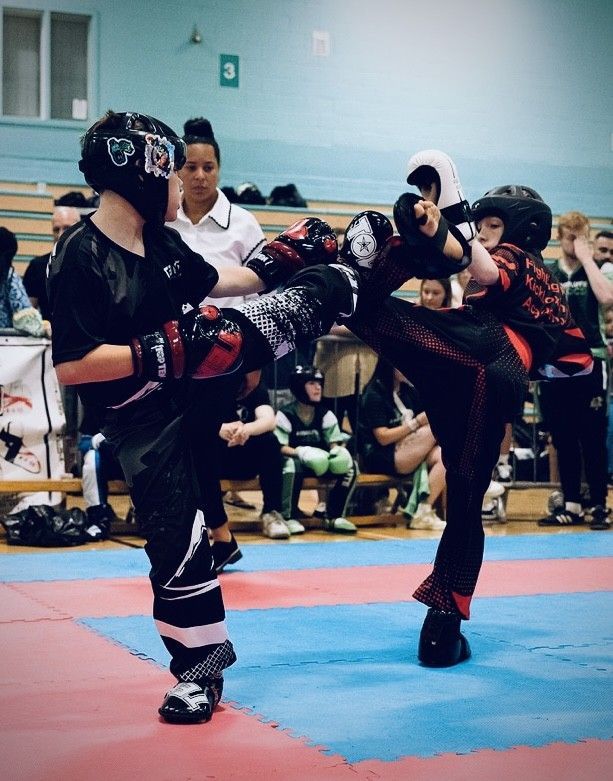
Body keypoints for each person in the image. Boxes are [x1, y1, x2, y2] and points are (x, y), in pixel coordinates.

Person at [48, 110, 360, 724]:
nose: (181, 184)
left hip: (190, 391)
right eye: (172, 171)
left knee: (232, 328)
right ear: (141, 175)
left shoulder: (161, 242)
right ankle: (198, 672)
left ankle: (343, 283)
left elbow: (224, 281)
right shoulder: (78, 255)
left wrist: (285, 257)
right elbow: (73, 366)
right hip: (139, 415)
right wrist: (159, 350)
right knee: (176, 537)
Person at [339, 151, 593, 668]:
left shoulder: (520, 260)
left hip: (482, 351)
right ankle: (442, 630)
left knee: (365, 309)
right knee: (464, 499)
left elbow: (482, 264)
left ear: (521, 231)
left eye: (492, 225)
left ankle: (340, 280)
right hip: (486, 379)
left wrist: (443, 222)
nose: (485, 234)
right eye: (481, 225)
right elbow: (574, 362)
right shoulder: (541, 292)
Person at [169, 117, 267, 513]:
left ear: (219, 170)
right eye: (190, 167)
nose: (199, 176)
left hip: (229, 353)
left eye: (208, 167)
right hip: (174, 350)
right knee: (181, 440)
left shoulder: (243, 223)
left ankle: (215, 526)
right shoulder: (162, 221)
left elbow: (261, 297)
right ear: (177, 170)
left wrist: (255, 360)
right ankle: (201, 525)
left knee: (203, 438)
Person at [537, 211, 613, 530]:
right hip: (555, 365)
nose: (574, 242)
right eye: (569, 236)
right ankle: (571, 504)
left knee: (592, 435)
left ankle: (599, 504)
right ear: (559, 237)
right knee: (563, 435)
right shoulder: (549, 272)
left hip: (591, 360)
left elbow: (607, 298)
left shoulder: (596, 270)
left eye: (580, 236)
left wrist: (587, 258)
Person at [359, 357, 446, 530]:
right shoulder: (374, 393)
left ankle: (423, 511)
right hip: (381, 455)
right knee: (435, 428)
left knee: (445, 456)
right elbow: (382, 437)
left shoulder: (408, 392)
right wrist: (415, 423)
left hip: (407, 450)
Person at [275, 365, 359, 534]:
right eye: (312, 383)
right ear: (299, 387)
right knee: (291, 465)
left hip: (321, 463)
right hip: (298, 463)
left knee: (351, 466)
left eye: (320, 383)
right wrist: (301, 452)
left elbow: (334, 443)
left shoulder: (326, 414)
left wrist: (338, 453)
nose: (318, 388)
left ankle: (334, 515)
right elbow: (281, 447)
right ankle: (288, 517)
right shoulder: (285, 414)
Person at [217, 375, 291, 540]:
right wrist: (220, 428)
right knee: (201, 443)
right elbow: (195, 419)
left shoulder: (255, 386)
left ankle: (272, 512)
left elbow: (269, 420)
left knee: (271, 441)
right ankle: (209, 517)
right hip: (218, 457)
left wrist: (247, 429)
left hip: (245, 458)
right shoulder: (211, 383)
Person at [23, 201, 82, 320]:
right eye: (56, 229)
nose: (60, 235)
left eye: (67, 228)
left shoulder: (93, 266)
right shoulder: (37, 267)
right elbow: (28, 315)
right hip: (49, 330)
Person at [0, 227, 47, 336]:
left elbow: (24, 314)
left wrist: (42, 326)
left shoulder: (9, 278)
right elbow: (25, 316)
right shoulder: (8, 277)